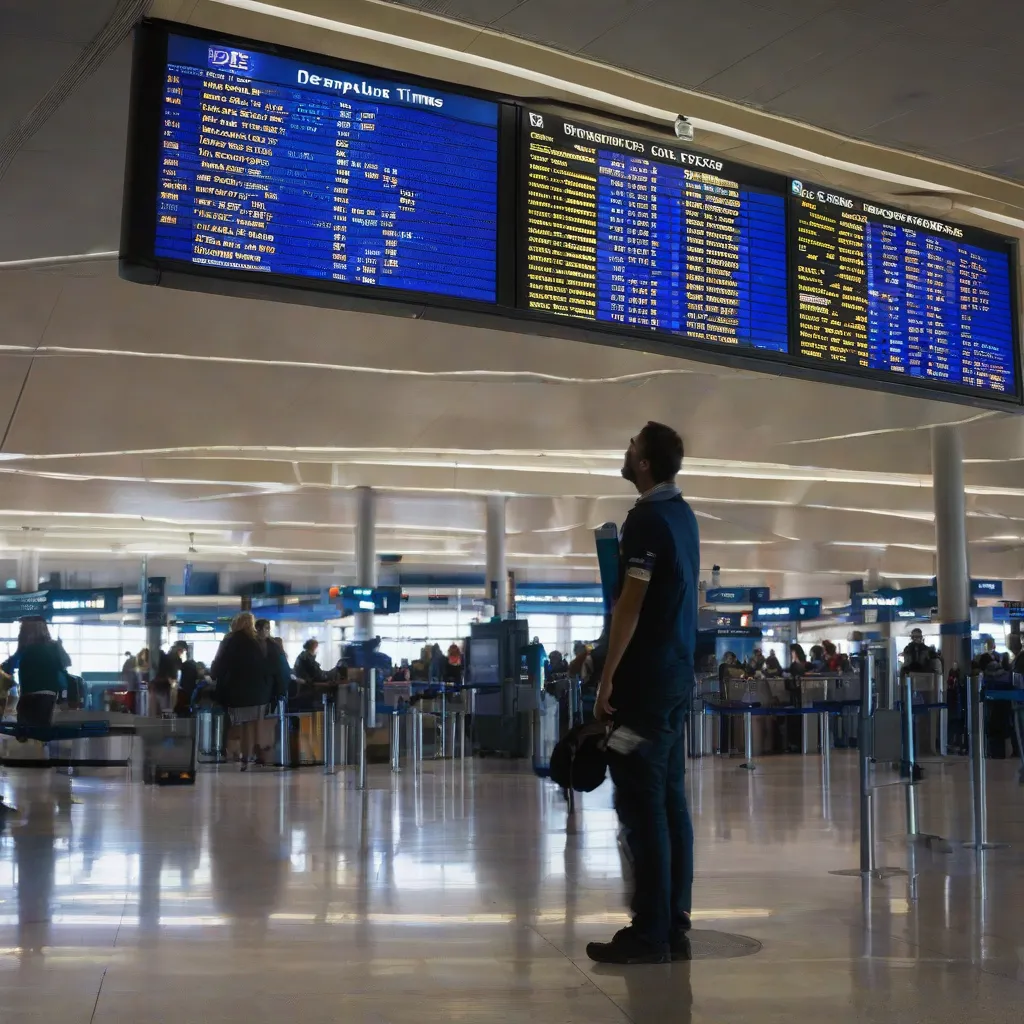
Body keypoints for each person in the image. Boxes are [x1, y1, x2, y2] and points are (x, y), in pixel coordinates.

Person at [587, 421, 698, 965]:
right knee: (671, 798)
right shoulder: (683, 516)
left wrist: (606, 678)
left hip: (647, 685)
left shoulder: (646, 520)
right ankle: (674, 920)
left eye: (631, 446)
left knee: (639, 800)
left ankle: (650, 931)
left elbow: (629, 604)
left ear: (646, 463)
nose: (625, 452)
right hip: (676, 677)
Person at [211, 612, 272, 771]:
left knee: (241, 724)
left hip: (237, 691)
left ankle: (243, 757)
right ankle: (255, 753)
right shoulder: (257, 642)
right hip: (258, 691)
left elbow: (220, 664)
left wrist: (214, 676)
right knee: (253, 724)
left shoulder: (229, 640)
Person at [1, 618, 69, 730]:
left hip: (27, 695)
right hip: (48, 695)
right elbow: (65, 664)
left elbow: (8, 667)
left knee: (25, 732)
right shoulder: (54, 646)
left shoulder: (25, 649)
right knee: (41, 731)